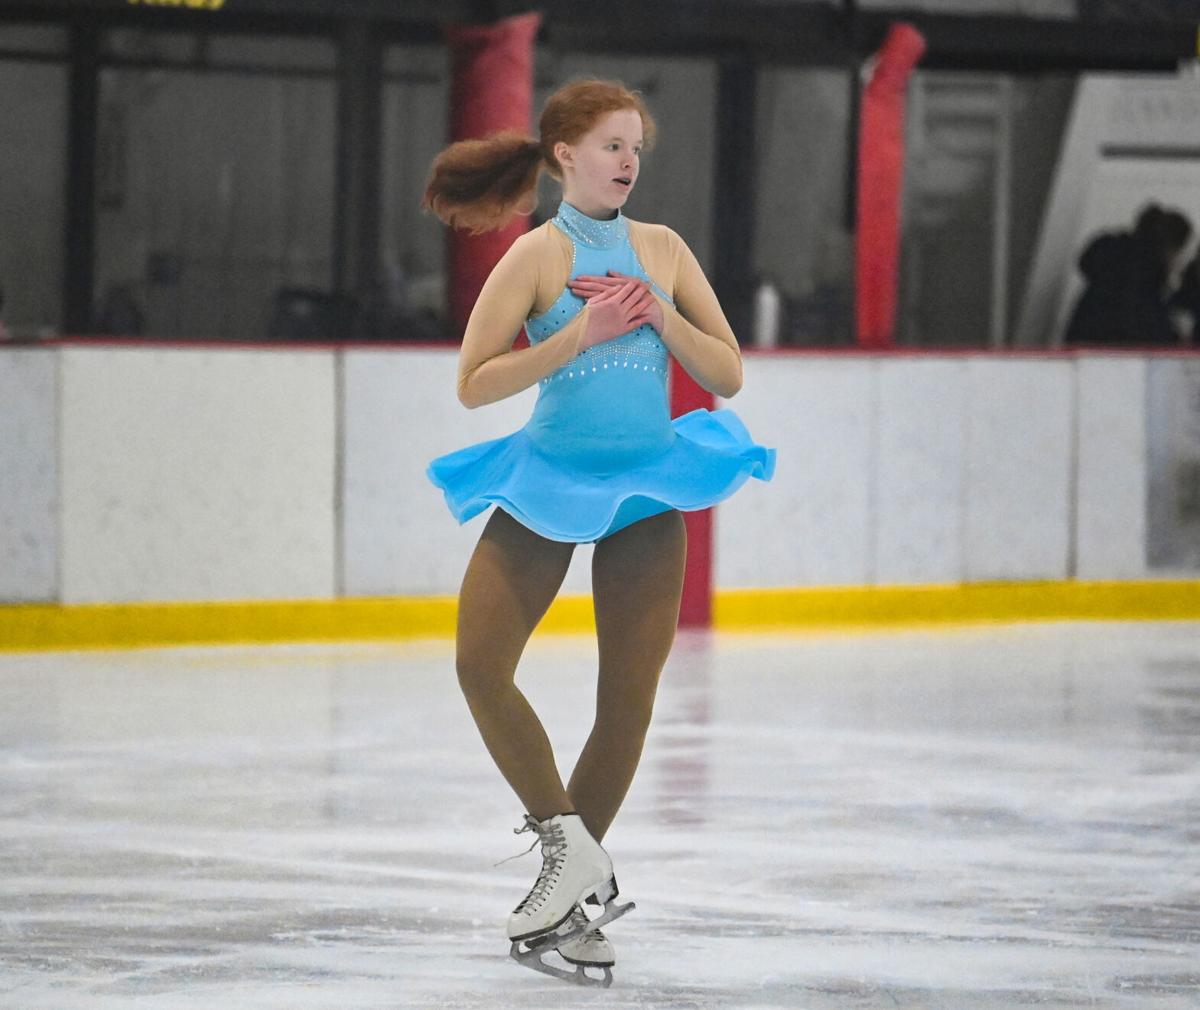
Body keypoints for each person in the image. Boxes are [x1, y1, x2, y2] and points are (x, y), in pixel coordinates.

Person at [420, 78, 775, 984]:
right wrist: (578, 335)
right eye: (613, 146)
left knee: (629, 694)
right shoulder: (536, 256)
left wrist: (659, 314)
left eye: (637, 149)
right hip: (548, 479)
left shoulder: (661, 249)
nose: (628, 162)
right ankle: (566, 845)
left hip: (650, 485)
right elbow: (474, 382)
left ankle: (575, 902)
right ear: (566, 155)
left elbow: (728, 371)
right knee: (479, 662)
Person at [1064, 203, 1193, 348]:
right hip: (1112, 362)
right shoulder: (1145, 287)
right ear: (1171, 250)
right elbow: (1150, 335)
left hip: (1078, 354)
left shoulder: (1109, 264)